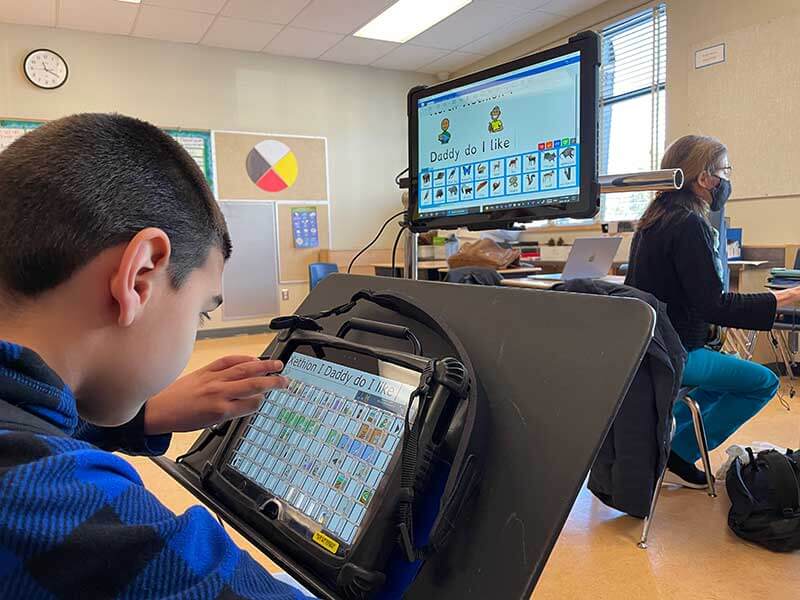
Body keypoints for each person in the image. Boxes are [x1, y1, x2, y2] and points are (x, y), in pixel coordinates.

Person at [0, 113, 313, 598]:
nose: (195, 330)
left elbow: (27, 425)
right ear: (140, 276)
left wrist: (144, 415)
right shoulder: (48, 496)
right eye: (200, 313)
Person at [625, 135, 800, 488]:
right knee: (762, 382)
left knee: (724, 382)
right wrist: (785, 297)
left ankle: (660, 441)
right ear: (704, 178)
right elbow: (714, 306)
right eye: (725, 170)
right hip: (676, 352)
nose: (727, 180)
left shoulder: (653, 220)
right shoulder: (689, 225)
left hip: (648, 346)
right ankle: (677, 452)